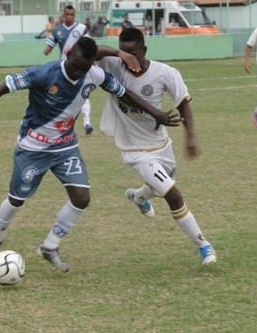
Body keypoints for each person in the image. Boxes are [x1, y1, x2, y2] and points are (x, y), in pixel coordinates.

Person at [0, 37, 180, 273]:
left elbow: (124, 93)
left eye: (84, 69)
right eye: (75, 66)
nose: (78, 72)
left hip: (65, 148)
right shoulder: (43, 74)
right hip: (33, 147)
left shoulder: (95, 75)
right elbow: (2, 88)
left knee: (81, 198)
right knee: (17, 200)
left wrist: (155, 113)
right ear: (67, 54)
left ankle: (50, 246)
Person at [97, 28, 217, 266]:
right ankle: (204, 246)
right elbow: (83, 49)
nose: (129, 58)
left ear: (144, 50)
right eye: (124, 52)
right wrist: (117, 53)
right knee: (172, 193)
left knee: (160, 185)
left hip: (161, 145)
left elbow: (183, 103)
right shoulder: (113, 64)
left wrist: (190, 136)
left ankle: (138, 197)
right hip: (134, 151)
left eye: (133, 53)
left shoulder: (165, 73)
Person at [44, 5, 94, 135]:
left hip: (79, 68)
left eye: (72, 15)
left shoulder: (81, 29)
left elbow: (89, 46)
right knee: (61, 96)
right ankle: (59, 124)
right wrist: (47, 49)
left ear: (75, 15)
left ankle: (87, 123)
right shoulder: (57, 30)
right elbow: (48, 48)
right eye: (67, 14)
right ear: (63, 15)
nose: (69, 17)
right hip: (63, 68)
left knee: (83, 94)